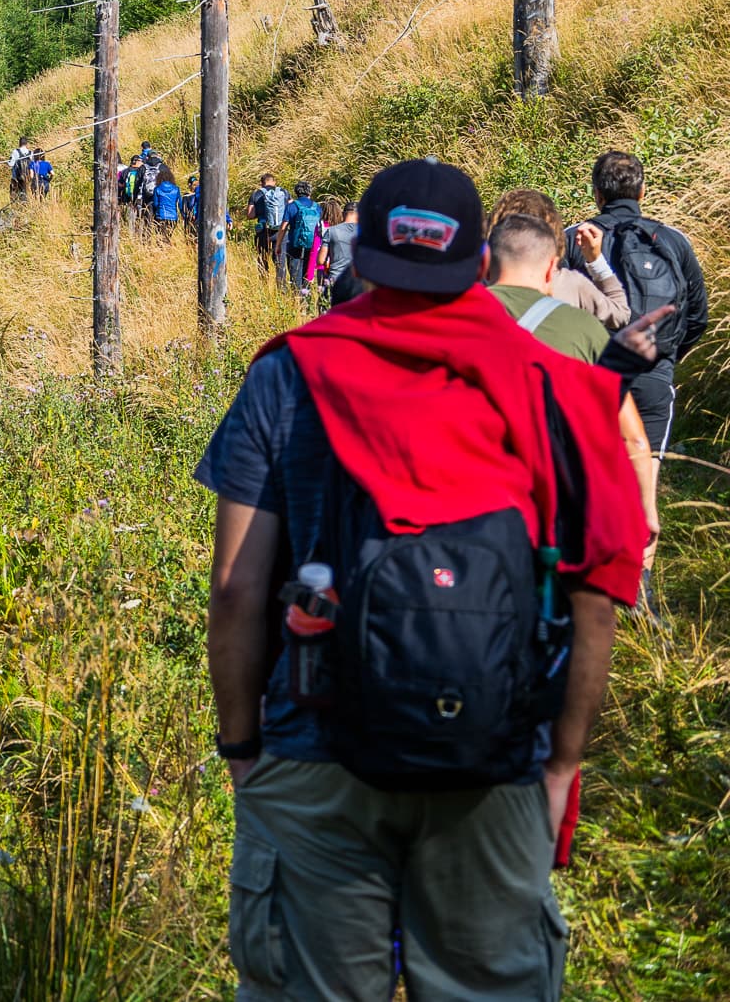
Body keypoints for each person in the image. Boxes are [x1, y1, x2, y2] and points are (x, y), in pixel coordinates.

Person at [201, 157, 649, 1002]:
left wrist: (244, 751)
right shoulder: (555, 386)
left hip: (314, 749)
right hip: (496, 756)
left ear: (359, 257)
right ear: (476, 264)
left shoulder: (286, 372)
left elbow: (235, 586)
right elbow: (599, 591)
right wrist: (561, 765)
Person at [488, 210, 661, 555]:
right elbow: (631, 436)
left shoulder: (450, 315)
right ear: (552, 268)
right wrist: (645, 510)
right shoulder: (583, 328)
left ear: (485, 263)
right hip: (556, 500)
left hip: (471, 494)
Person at [563, 151, 709, 456]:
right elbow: (697, 316)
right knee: (643, 485)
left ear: (597, 194)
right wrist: (664, 357)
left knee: (588, 486)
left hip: (590, 377)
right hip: (653, 375)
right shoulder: (673, 240)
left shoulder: (574, 238)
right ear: (642, 192)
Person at [492, 188, 628, 329]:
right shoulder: (571, 285)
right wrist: (596, 260)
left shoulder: (480, 287)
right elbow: (620, 315)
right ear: (553, 230)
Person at [279, 180, 322, 296]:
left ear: (296, 192)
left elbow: (283, 228)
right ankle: (306, 302)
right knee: (307, 277)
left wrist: (278, 245)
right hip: (312, 247)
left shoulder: (291, 206)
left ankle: (297, 303)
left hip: (294, 246)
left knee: (295, 278)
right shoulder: (317, 207)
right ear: (310, 192)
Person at [318, 200, 360, 305]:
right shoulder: (365, 232)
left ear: (343, 214)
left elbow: (320, 260)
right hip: (358, 282)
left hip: (335, 279)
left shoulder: (331, 231)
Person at [249, 173, 288, 272]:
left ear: (262, 183)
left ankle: (263, 283)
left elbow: (250, 215)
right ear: (274, 182)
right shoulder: (284, 192)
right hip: (281, 230)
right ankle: (281, 285)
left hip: (263, 229)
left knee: (262, 257)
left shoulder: (256, 194)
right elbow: (290, 209)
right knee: (279, 259)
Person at [152, 165, 181, 236]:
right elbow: (180, 203)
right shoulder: (176, 189)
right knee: (168, 235)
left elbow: (155, 204)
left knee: (161, 236)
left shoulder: (157, 189)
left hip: (160, 215)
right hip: (173, 216)